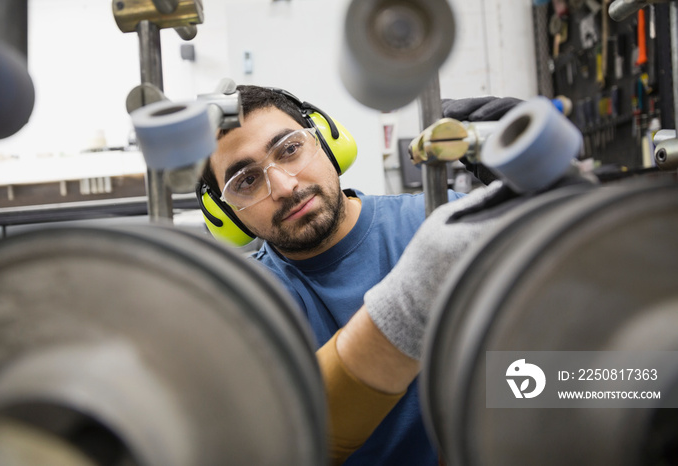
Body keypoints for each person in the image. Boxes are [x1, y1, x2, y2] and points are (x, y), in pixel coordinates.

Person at [197, 85, 519, 465]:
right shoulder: (245, 304)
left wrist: (553, 210)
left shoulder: (440, 219)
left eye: (289, 149)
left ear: (327, 141)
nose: (284, 186)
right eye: (247, 181)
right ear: (224, 214)